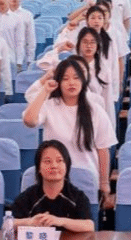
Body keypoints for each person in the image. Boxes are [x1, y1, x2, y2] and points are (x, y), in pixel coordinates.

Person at [23, 58, 117, 207]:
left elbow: (103, 149)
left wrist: (104, 184)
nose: (71, 82)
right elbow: (29, 120)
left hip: (86, 181)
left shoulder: (95, 110)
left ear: (83, 81)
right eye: (65, 79)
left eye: (76, 78)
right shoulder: (50, 106)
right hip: (54, 180)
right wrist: (45, 91)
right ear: (58, 83)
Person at [12, 140, 95, 232]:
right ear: (38, 168)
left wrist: (60, 221)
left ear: (66, 166)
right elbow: (8, 224)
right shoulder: (27, 197)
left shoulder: (77, 197)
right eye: (47, 161)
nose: (54, 166)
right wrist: (30, 222)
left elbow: (89, 226)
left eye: (59, 161)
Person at [0, 0, 26, 70]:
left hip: (10, 59)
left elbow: (20, 41)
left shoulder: (17, 18)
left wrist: (19, 62)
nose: (1, 0)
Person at [8, 0, 36, 67]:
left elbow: (31, 38)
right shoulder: (3, 15)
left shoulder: (27, 14)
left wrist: (30, 59)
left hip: (21, 56)